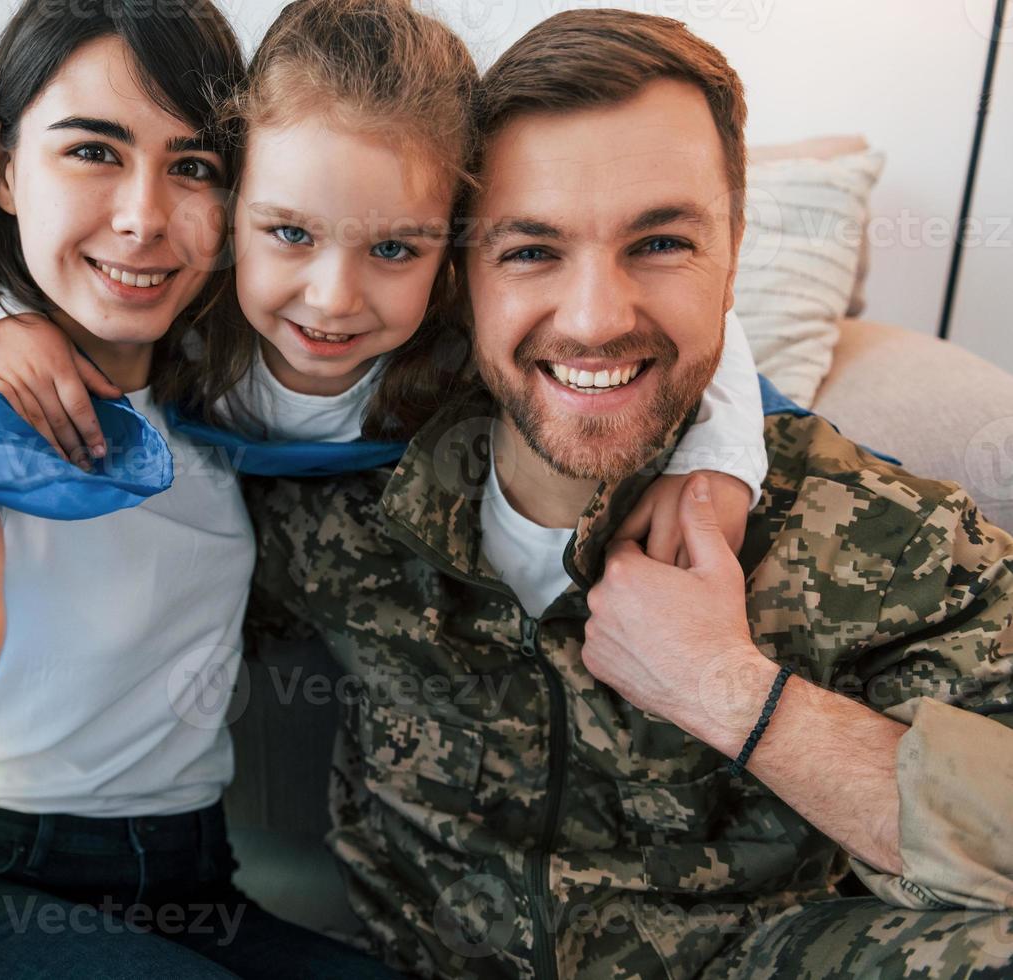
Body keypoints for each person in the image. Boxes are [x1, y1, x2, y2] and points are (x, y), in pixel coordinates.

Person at [244, 9, 1013, 979]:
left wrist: (737, 696)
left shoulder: (875, 533)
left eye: (660, 242)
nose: (597, 318)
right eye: (531, 249)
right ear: (459, 270)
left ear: (734, 250)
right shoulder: (344, 496)